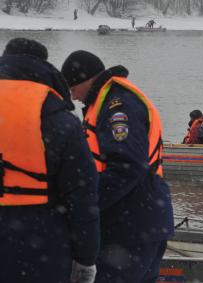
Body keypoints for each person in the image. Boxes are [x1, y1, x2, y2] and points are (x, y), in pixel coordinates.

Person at [61, 50, 174, 283]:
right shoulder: (109, 100)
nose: (73, 97)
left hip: (131, 224)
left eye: (73, 89)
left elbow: (127, 165)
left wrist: (88, 205)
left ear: (87, 79)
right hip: (140, 218)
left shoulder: (117, 105)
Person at [0, 38, 100, 283]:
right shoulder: (60, 120)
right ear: (43, 68)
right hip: (40, 248)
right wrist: (86, 259)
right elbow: (82, 198)